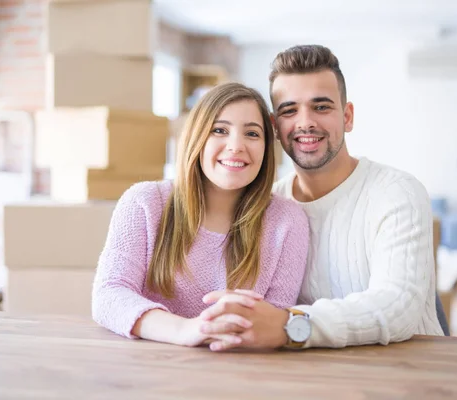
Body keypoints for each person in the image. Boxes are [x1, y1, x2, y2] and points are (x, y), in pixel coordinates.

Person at [198, 45, 445, 351]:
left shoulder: (396, 192)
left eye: (321, 107)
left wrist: (289, 325)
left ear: (348, 116)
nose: (305, 123)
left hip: (410, 372)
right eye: (289, 110)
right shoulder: (266, 206)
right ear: (275, 127)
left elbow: (397, 308)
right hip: (314, 376)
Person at [91, 82, 309, 347]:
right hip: (150, 368)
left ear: (266, 148)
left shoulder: (287, 221)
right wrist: (185, 330)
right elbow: (109, 295)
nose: (236, 146)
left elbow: (275, 320)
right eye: (220, 130)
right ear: (197, 138)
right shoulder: (145, 202)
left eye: (252, 134)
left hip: (242, 369)